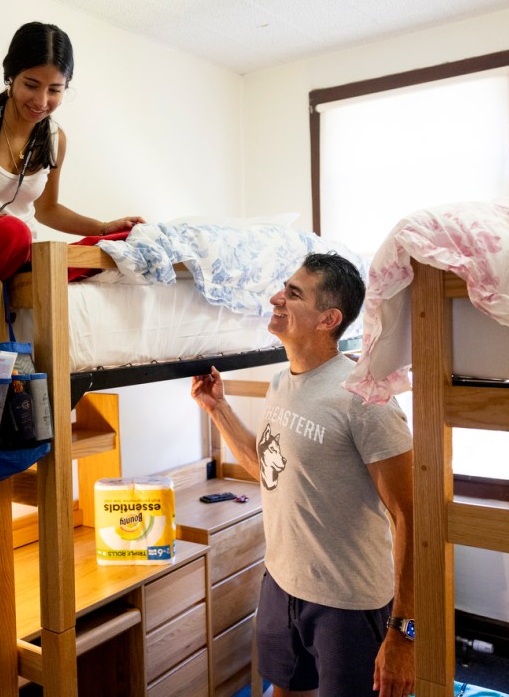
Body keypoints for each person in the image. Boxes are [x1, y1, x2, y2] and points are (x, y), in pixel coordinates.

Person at [191, 253, 415, 697]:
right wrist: (217, 409)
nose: (276, 297)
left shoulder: (365, 398)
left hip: (348, 605)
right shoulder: (281, 383)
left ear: (328, 318)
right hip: (280, 585)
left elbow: (412, 516)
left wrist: (404, 634)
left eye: (293, 293)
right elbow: (267, 468)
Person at [0, 21, 144, 357]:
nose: (41, 100)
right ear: (11, 76)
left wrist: (105, 227)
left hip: (23, 252)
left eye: (55, 90)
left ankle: (33, 258)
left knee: (120, 241)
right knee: (12, 232)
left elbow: (48, 210)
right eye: (31, 85)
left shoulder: (55, 139)